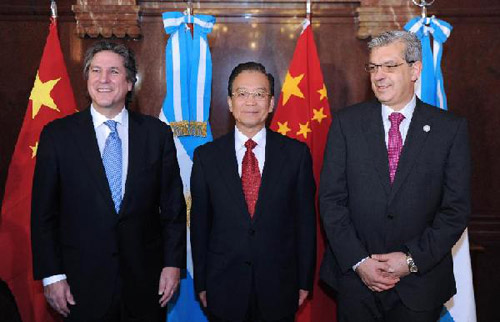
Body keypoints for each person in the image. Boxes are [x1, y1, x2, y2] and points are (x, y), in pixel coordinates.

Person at [319, 30, 470, 322]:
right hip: (356, 283)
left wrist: (411, 260)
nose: (379, 75)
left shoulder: (449, 129)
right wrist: (360, 261)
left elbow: (456, 210)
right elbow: (331, 201)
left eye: (390, 66)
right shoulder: (346, 124)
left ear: (415, 69)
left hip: (421, 285)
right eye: (374, 67)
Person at [31, 41, 186, 321]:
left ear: (129, 83)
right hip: (79, 286)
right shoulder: (57, 136)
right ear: (87, 79)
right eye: (95, 71)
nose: (104, 79)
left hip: (145, 285)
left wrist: (172, 264)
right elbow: (43, 215)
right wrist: (51, 275)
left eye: (114, 71)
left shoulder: (157, 135)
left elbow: (173, 211)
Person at [190, 62, 316, 322]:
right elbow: (200, 226)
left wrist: (304, 281)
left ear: (271, 104)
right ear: (229, 102)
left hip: (280, 286)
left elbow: (305, 224)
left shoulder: (296, 155)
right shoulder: (206, 157)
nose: (251, 102)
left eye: (259, 94)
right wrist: (201, 282)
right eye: (242, 94)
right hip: (223, 286)